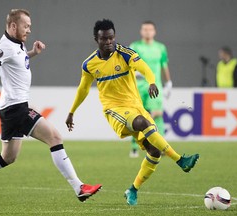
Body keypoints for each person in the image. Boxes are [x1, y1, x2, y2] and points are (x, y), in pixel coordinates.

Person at [0, 9, 101, 206]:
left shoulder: (16, 45)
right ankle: (79, 187)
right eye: (25, 26)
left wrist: (33, 53)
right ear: (13, 26)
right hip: (17, 108)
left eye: (30, 26)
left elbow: (16, 62)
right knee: (55, 137)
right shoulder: (6, 46)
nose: (28, 30)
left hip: (12, 108)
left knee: (7, 157)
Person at [65, 19, 199, 206]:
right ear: (96, 39)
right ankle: (180, 160)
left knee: (155, 152)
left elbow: (145, 68)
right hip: (114, 110)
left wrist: (152, 81)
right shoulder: (89, 64)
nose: (109, 42)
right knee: (143, 124)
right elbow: (83, 89)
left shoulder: (125, 53)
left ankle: (132, 190)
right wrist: (72, 111)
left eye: (111, 38)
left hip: (135, 106)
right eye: (104, 39)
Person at [129, 21, 172, 158]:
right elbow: (128, 64)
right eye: (145, 29)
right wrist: (134, 73)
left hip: (155, 85)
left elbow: (164, 65)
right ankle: (135, 147)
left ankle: (162, 146)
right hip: (138, 86)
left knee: (157, 113)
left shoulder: (160, 48)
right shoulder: (135, 46)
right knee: (138, 116)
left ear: (154, 31)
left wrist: (169, 82)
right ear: (141, 31)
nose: (147, 32)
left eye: (150, 29)